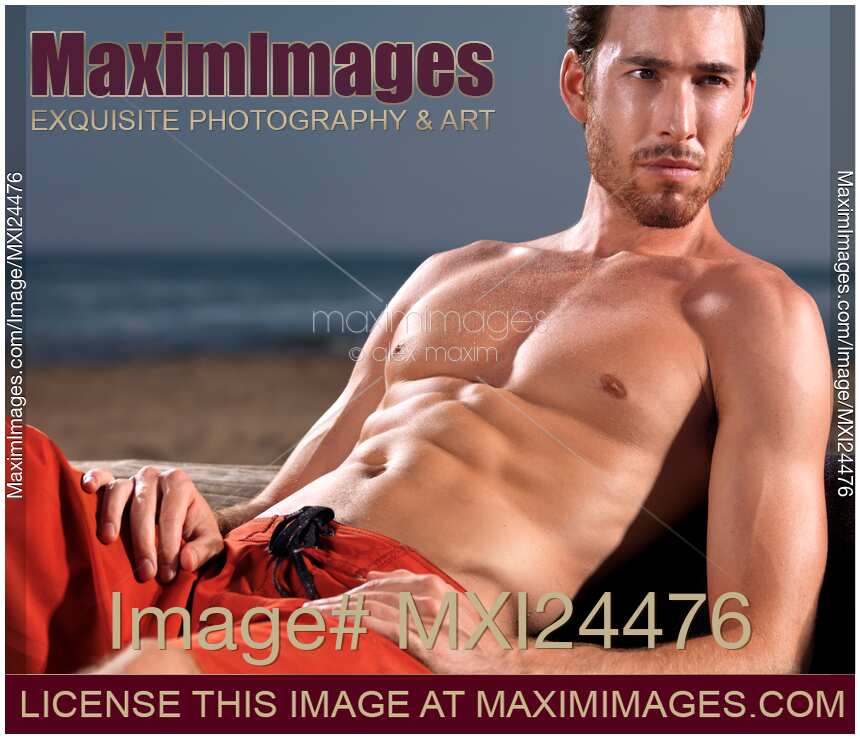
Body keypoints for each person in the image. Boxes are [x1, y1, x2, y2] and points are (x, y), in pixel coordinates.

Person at [8, 5, 832, 675]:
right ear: (579, 85)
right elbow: (277, 496)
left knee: (155, 674)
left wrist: (507, 663)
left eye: (711, 80)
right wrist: (191, 512)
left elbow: (763, 652)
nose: (680, 121)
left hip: (396, 625)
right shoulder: (454, 272)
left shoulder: (755, 314)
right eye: (645, 73)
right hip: (222, 569)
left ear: (745, 101)